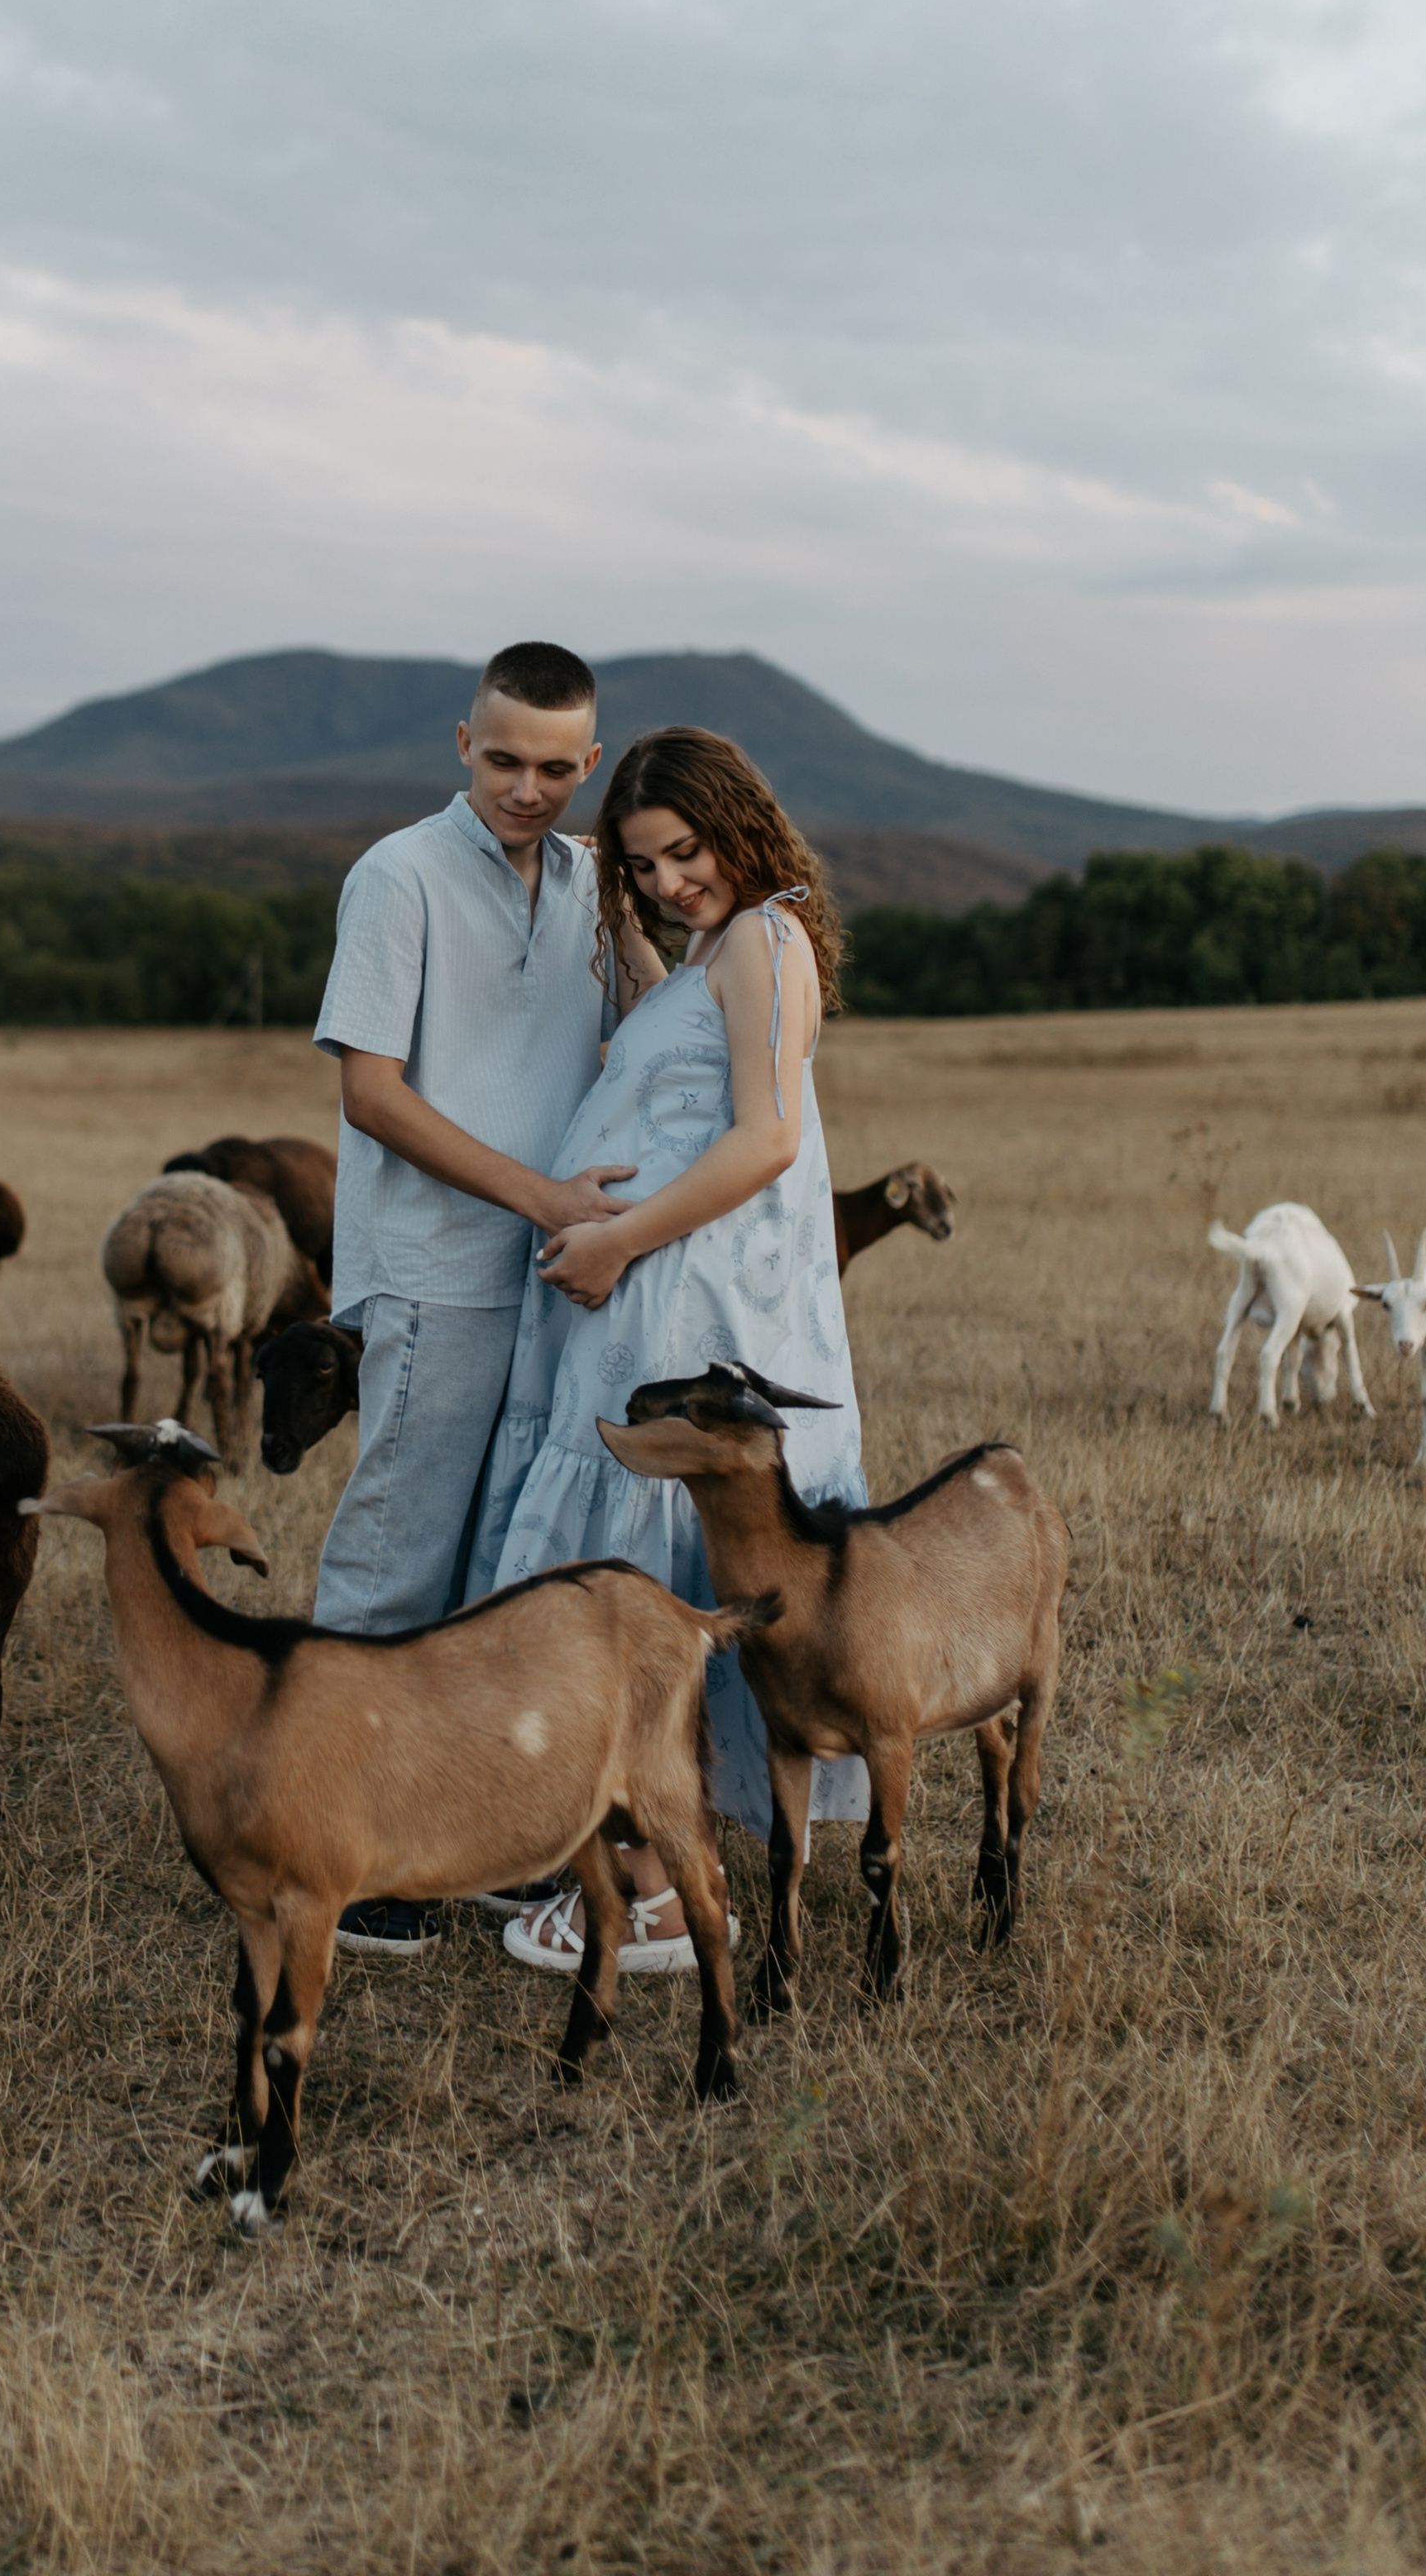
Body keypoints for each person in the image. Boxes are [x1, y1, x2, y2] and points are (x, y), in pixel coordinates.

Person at [463, 724, 872, 1975]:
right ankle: (609, 1843)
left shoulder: (765, 937)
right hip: (652, 1297)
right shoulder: (718, 944)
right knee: (641, 1586)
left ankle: (648, 1894)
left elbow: (763, 1143)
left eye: (682, 853)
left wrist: (616, 1243)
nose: (666, 882)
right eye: (641, 866)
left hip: (689, 1305)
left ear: (737, 822)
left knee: (652, 1596)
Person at [310, 638, 665, 1954]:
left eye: (559, 768)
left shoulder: (589, 879)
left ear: (591, 763)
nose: (529, 789)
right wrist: (541, 1197)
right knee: (396, 1554)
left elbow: (658, 1017)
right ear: (464, 746)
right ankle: (343, 1847)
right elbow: (372, 1092)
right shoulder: (395, 877)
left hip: (566, 1281)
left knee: (504, 1562)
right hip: (440, 1270)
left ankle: (480, 1831)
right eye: (505, 759)